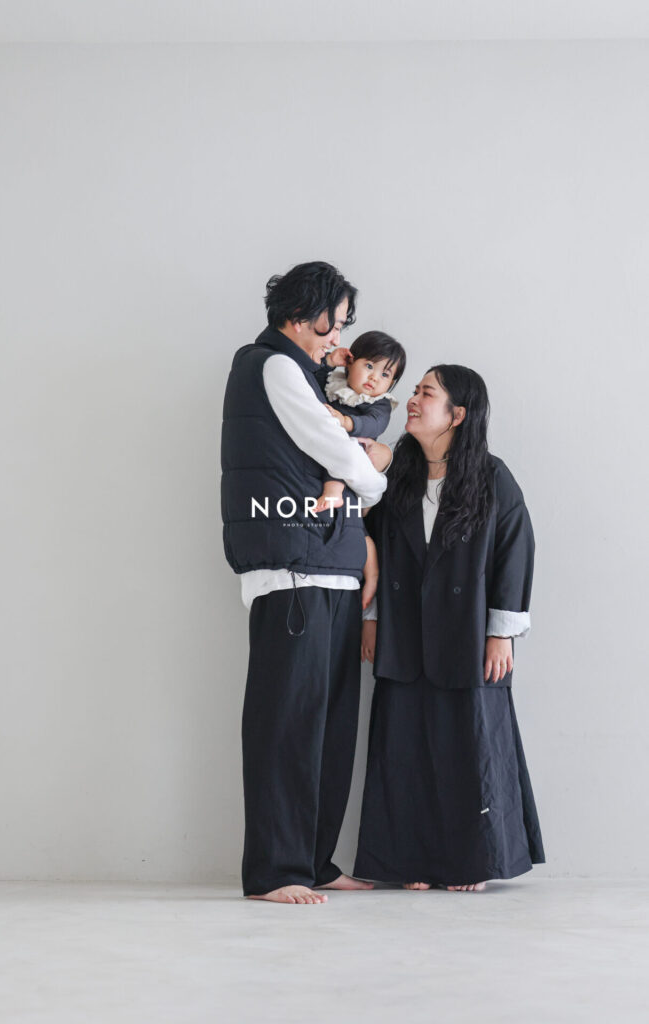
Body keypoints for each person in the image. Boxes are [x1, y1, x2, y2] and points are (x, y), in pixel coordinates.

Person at [220, 261, 393, 904]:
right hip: (293, 573)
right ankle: (275, 870)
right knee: (287, 726)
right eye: (335, 323)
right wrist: (376, 481)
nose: (338, 338)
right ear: (304, 314)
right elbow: (337, 451)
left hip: (330, 571)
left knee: (330, 728)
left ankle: (313, 860)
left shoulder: (308, 373)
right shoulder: (272, 366)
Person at [354, 365, 545, 892]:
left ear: (458, 414)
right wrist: (371, 619)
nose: (413, 400)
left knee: (471, 746)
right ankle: (409, 862)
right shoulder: (396, 475)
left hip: (468, 637)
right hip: (403, 635)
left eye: (427, 393)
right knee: (403, 749)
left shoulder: (491, 477)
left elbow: (515, 550)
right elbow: (373, 550)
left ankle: (472, 863)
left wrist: (501, 632)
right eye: (415, 391)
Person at [313, 331, 407, 609]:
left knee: (343, 456)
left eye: (385, 374)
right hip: (332, 458)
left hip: (356, 460)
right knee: (357, 527)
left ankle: (333, 491)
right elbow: (311, 382)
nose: (374, 378)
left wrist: (347, 422)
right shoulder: (334, 384)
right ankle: (372, 570)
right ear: (350, 363)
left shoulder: (380, 403)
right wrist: (329, 361)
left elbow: (374, 424)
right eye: (369, 366)